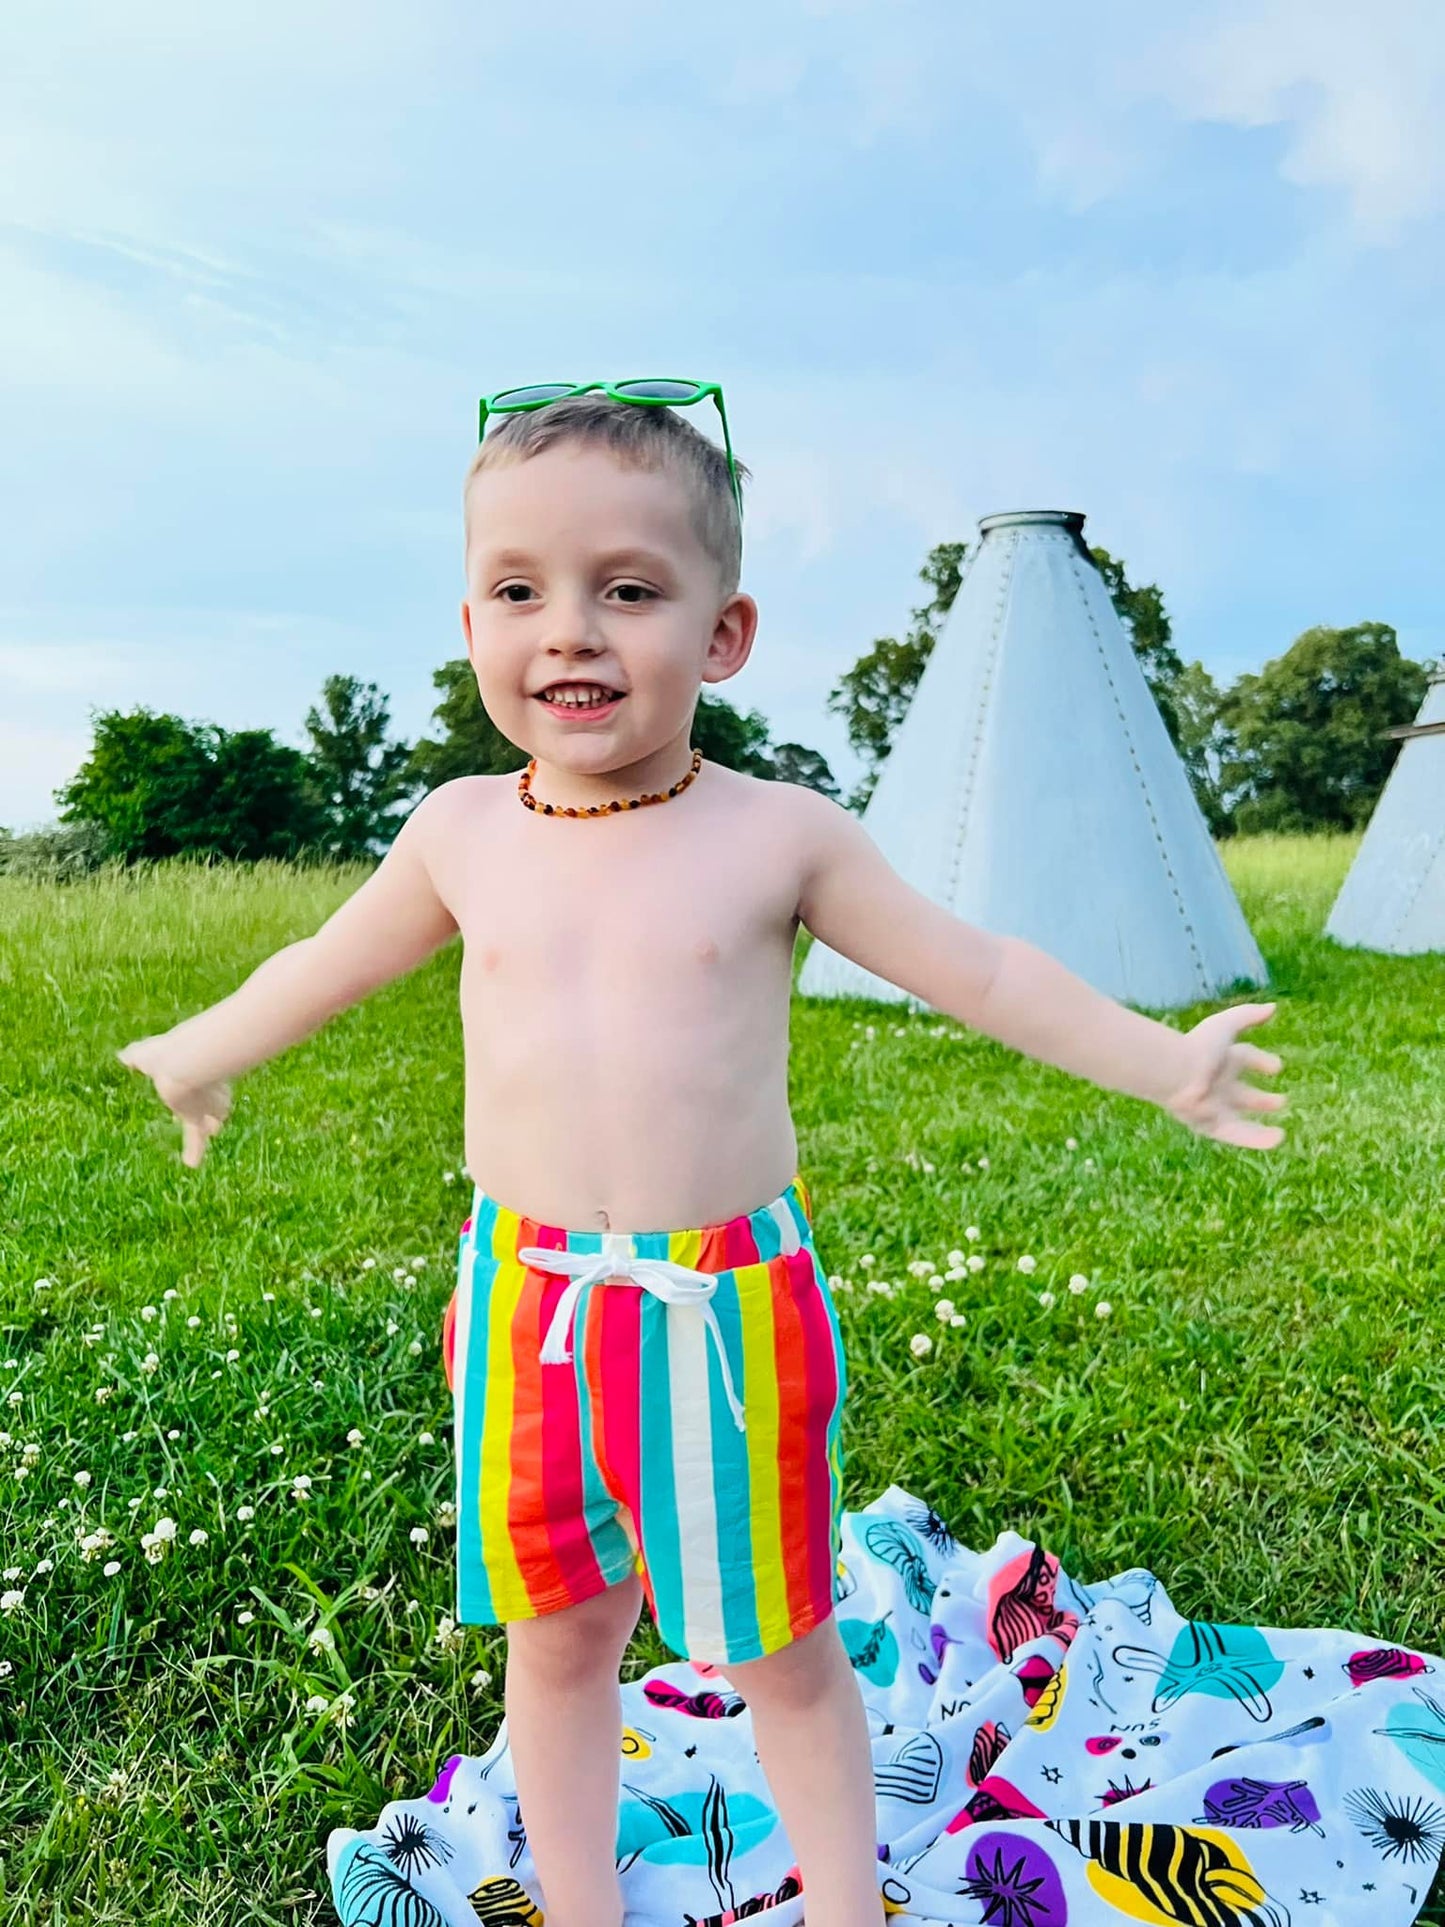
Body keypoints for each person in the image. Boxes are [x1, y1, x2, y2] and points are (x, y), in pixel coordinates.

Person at [117, 387, 1286, 1927]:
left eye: (628, 590)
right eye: (521, 591)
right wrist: (204, 1048)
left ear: (723, 633)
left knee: (777, 1647)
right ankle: (584, 1904)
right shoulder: (460, 830)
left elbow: (982, 973)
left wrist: (1167, 1064)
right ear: (469, 620)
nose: (571, 634)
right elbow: (323, 962)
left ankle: (843, 1905)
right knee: (559, 1641)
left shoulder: (777, 834)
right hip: (525, 1303)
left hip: (722, 1315)